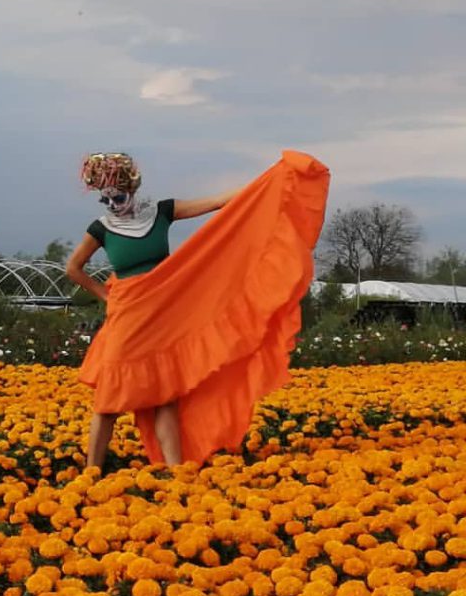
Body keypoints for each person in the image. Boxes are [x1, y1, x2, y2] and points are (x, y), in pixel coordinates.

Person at [66, 150, 330, 470]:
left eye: (118, 197)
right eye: (105, 199)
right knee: (109, 399)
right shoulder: (101, 228)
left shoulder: (161, 212)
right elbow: (73, 268)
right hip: (127, 317)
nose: (112, 205)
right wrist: (105, 295)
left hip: (165, 315)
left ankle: (177, 473)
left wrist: (269, 182)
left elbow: (218, 203)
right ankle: (91, 473)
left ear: (131, 188)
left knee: (165, 396)